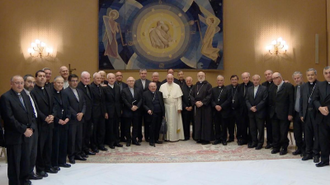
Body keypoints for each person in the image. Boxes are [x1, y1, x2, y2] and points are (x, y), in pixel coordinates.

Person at [1, 75, 37, 185]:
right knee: (15, 162)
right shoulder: (5, 97)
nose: (20, 85)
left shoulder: (25, 96)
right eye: (17, 83)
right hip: (14, 135)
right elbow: (9, 118)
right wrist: (23, 129)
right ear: (11, 84)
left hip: (27, 134)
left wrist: (31, 127)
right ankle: (15, 182)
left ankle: (24, 179)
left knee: (25, 159)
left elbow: (31, 113)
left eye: (21, 83)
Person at [30, 70, 57, 177]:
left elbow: (54, 104)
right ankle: (40, 168)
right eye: (40, 76)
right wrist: (45, 117)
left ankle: (47, 165)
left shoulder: (48, 89)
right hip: (40, 123)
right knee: (40, 148)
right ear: (36, 78)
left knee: (48, 146)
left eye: (44, 76)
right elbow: (34, 108)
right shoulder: (33, 91)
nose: (42, 78)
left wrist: (53, 115)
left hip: (50, 122)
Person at [63, 74, 87, 164]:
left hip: (80, 119)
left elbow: (84, 103)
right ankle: (71, 155)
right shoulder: (65, 92)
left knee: (79, 138)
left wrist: (82, 113)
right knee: (72, 139)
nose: (75, 82)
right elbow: (67, 106)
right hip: (72, 120)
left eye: (76, 81)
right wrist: (76, 114)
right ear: (69, 82)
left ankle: (78, 153)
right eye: (73, 81)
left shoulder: (80, 91)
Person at [268, 72, 294, 155]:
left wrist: (290, 113)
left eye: (276, 78)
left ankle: (284, 147)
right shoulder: (272, 87)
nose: (275, 80)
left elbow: (291, 101)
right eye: (273, 79)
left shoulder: (288, 86)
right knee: (275, 132)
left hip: (284, 114)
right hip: (274, 113)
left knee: (283, 132)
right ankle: (276, 147)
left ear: (280, 77)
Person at [23, 74, 41, 180]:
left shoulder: (31, 94)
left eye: (33, 82)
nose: (32, 84)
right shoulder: (22, 95)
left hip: (35, 125)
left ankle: (30, 173)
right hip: (28, 128)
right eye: (29, 82)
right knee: (27, 152)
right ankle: (26, 174)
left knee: (33, 152)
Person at [51, 76, 71, 169]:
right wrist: (57, 119)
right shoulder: (50, 94)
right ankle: (55, 163)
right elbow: (51, 109)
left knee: (64, 142)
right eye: (58, 83)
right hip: (56, 122)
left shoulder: (64, 93)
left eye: (62, 83)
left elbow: (68, 107)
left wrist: (68, 117)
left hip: (65, 122)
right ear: (54, 83)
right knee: (56, 143)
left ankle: (62, 161)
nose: (60, 84)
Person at [300, 68, 320, 162]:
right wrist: (301, 114)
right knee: (307, 135)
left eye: (312, 75)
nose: (310, 77)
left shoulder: (320, 85)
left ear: (315, 75)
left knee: (316, 135)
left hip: (317, 114)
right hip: (306, 114)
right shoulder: (303, 86)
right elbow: (301, 101)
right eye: (308, 75)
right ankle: (308, 153)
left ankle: (316, 153)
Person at [313, 66, 330, 167]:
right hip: (322, 117)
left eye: (329, 72)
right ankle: (324, 160)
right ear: (323, 74)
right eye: (326, 73)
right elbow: (314, 99)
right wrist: (319, 108)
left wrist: (328, 108)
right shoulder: (320, 85)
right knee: (323, 140)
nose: (328, 74)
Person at [245, 74, 268, 150]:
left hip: (260, 112)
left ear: (259, 80)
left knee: (260, 129)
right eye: (254, 80)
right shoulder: (249, 89)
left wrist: (257, 107)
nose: (255, 81)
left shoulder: (264, 88)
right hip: (251, 112)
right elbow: (246, 99)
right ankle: (254, 141)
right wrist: (250, 107)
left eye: (257, 80)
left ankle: (260, 143)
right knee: (252, 128)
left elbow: (264, 100)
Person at [159, 74, 184, 141]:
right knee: (167, 122)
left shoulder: (177, 86)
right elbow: (160, 99)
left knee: (175, 122)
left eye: (171, 78)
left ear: (173, 79)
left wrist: (179, 108)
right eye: (168, 78)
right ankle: (166, 137)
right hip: (166, 107)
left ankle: (175, 137)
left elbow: (179, 98)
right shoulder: (162, 86)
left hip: (175, 107)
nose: (170, 80)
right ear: (166, 79)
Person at [190, 72, 213, 144]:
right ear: (197, 76)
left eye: (202, 76)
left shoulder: (208, 85)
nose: (200, 77)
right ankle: (198, 137)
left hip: (206, 107)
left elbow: (210, 95)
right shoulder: (195, 85)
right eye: (199, 76)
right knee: (198, 122)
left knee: (206, 123)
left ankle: (206, 139)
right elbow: (191, 95)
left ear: (205, 76)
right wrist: (195, 102)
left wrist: (203, 102)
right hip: (197, 107)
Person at [77, 71, 95, 157]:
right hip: (82, 115)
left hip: (89, 114)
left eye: (88, 78)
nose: (87, 80)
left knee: (88, 134)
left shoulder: (89, 87)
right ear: (81, 78)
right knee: (82, 135)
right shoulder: (78, 87)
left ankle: (86, 149)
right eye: (85, 78)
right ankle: (81, 151)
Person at [121, 77, 143, 146]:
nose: (131, 82)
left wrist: (137, 106)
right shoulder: (124, 90)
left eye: (132, 81)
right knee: (127, 126)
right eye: (129, 81)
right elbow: (124, 100)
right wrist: (131, 107)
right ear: (127, 82)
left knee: (136, 126)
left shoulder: (138, 90)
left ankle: (134, 139)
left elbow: (141, 99)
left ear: (134, 82)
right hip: (128, 111)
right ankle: (128, 139)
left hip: (136, 111)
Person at [104, 73, 123, 149]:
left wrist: (120, 109)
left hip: (117, 110)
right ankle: (110, 142)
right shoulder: (104, 88)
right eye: (110, 78)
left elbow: (119, 99)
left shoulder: (117, 87)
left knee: (116, 127)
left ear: (115, 79)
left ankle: (116, 141)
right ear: (107, 79)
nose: (112, 80)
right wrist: (105, 112)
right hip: (109, 111)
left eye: (113, 78)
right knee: (110, 127)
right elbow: (104, 101)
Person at [143, 82, 165, 147]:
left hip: (159, 112)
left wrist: (163, 113)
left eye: (154, 86)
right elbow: (143, 104)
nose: (153, 88)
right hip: (151, 113)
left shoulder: (159, 93)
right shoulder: (145, 94)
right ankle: (151, 141)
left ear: (156, 87)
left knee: (158, 126)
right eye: (151, 86)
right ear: (149, 87)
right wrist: (148, 109)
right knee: (152, 127)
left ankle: (156, 139)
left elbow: (162, 104)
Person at [211, 75, 231, 145]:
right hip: (216, 111)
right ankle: (217, 138)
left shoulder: (227, 89)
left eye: (221, 80)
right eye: (218, 80)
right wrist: (215, 106)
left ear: (224, 81)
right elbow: (212, 100)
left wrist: (221, 106)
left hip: (224, 111)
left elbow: (228, 100)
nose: (220, 82)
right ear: (216, 81)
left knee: (224, 126)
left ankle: (224, 139)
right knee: (216, 126)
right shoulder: (213, 89)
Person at [90, 72, 107, 152]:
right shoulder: (90, 87)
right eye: (97, 78)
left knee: (102, 129)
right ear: (94, 79)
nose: (99, 80)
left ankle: (101, 144)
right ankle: (94, 146)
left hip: (102, 112)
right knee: (94, 130)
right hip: (94, 112)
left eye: (100, 78)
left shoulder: (101, 87)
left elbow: (103, 101)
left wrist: (105, 112)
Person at [134, 69, 151, 142]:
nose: (143, 75)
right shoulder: (136, 82)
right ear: (139, 74)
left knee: (147, 122)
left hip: (147, 105)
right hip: (138, 106)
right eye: (142, 73)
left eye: (144, 73)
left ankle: (147, 137)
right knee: (138, 122)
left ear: (146, 74)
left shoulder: (150, 82)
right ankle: (139, 137)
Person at [237, 72, 253, 145]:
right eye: (243, 78)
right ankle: (243, 139)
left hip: (250, 109)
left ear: (249, 77)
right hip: (242, 109)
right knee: (242, 125)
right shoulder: (240, 86)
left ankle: (250, 139)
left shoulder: (253, 85)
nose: (245, 79)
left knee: (250, 125)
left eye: (246, 77)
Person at [291, 71, 305, 156]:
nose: (296, 80)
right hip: (296, 114)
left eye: (298, 78)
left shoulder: (306, 87)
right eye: (295, 78)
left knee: (305, 134)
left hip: (304, 114)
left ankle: (305, 149)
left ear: (302, 78)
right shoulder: (294, 88)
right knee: (297, 133)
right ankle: (299, 148)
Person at [262, 70, 274, 149]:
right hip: (266, 110)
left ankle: (276, 142)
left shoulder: (277, 83)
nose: (267, 76)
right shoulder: (263, 84)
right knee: (269, 127)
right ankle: (269, 142)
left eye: (269, 74)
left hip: (275, 109)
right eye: (266, 75)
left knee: (275, 127)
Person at [115, 71, 128, 142]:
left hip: (124, 107)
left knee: (124, 124)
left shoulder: (125, 85)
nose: (119, 77)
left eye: (120, 75)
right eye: (117, 76)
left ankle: (123, 137)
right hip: (115, 107)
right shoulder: (112, 85)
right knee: (116, 124)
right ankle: (116, 137)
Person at [227, 75, 240, 143]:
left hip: (238, 110)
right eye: (232, 79)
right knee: (230, 124)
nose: (234, 81)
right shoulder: (227, 88)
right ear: (230, 80)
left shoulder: (240, 87)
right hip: (230, 110)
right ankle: (231, 137)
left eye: (235, 79)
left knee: (239, 124)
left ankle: (238, 137)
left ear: (237, 80)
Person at [181, 76, 194, 140]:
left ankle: (194, 136)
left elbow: (196, 98)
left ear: (192, 81)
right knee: (185, 123)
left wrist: (192, 106)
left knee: (194, 123)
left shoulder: (195, 88)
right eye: (187, 81)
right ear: (185, 81)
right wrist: (185, 106)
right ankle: (186, 136)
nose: (188, 82)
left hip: (193, 108)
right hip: (185, 108)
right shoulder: (182, 88)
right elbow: (181, 99)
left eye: (190, 81)